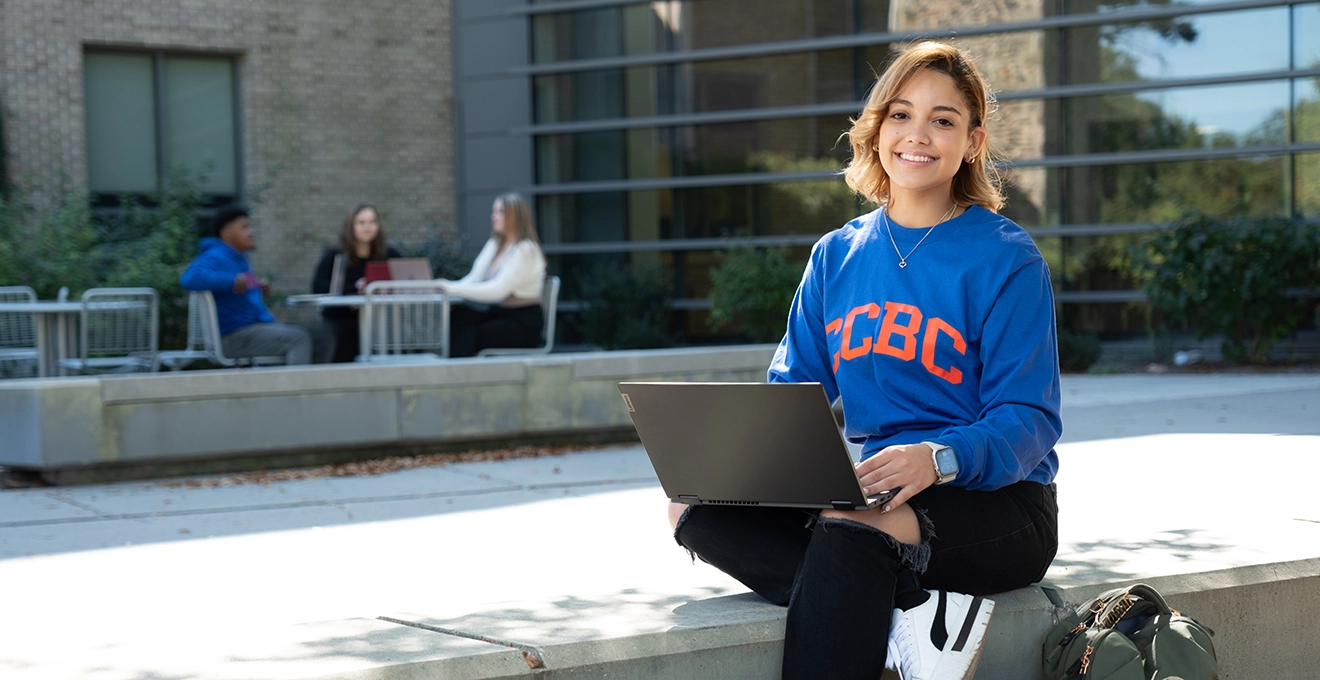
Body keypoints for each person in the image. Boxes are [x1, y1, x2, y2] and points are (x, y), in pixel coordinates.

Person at [668, 42, 1061, 680]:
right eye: (901, 115)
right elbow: (791, 390)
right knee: (690, 508)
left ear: (972, 140)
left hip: (995, 500)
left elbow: (1030, 420)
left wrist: (935, 457)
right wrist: (741, 456)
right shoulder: (836, 255)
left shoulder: (1005, 257)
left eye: (943, 120)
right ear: (877, 129)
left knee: (852, 530)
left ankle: (866, 596)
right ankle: (906, 618)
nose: (918, 135)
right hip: (868, 493)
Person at [181, 206, 333, 366]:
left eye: (250, 226)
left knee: (322, 337)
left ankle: (309, 386)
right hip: (233, 336)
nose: (251, 232)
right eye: (244, 227)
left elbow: (238, 289)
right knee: (297, 339)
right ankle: (295, 390)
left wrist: (256, 288)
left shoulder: (238, 258)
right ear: (226, 234)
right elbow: (189, 278)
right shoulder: (215, 255)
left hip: (256, 329)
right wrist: (231, 281)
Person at [439, 192, 547, 357]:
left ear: (515, 216)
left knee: (472, 333)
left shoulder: (526, 249)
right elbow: (473, 280)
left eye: (500, 212)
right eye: (494, 212)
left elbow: (498, 291)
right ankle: (450, 368)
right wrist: (446, 287)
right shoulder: (494, 245)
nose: (494, 217)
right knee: (458, 316)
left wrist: (450, 288)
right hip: (498, 313)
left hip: (522, 322)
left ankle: (460, 375)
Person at [310, 203, 402, 362]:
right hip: (342, 321)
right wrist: (353, 288)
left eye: (372, 222)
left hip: (380, 322)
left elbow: (404, 281)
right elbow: (318, 286)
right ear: (350, 226)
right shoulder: (334, 255)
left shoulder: (390, 254)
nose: (368, 227)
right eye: (361, 222)